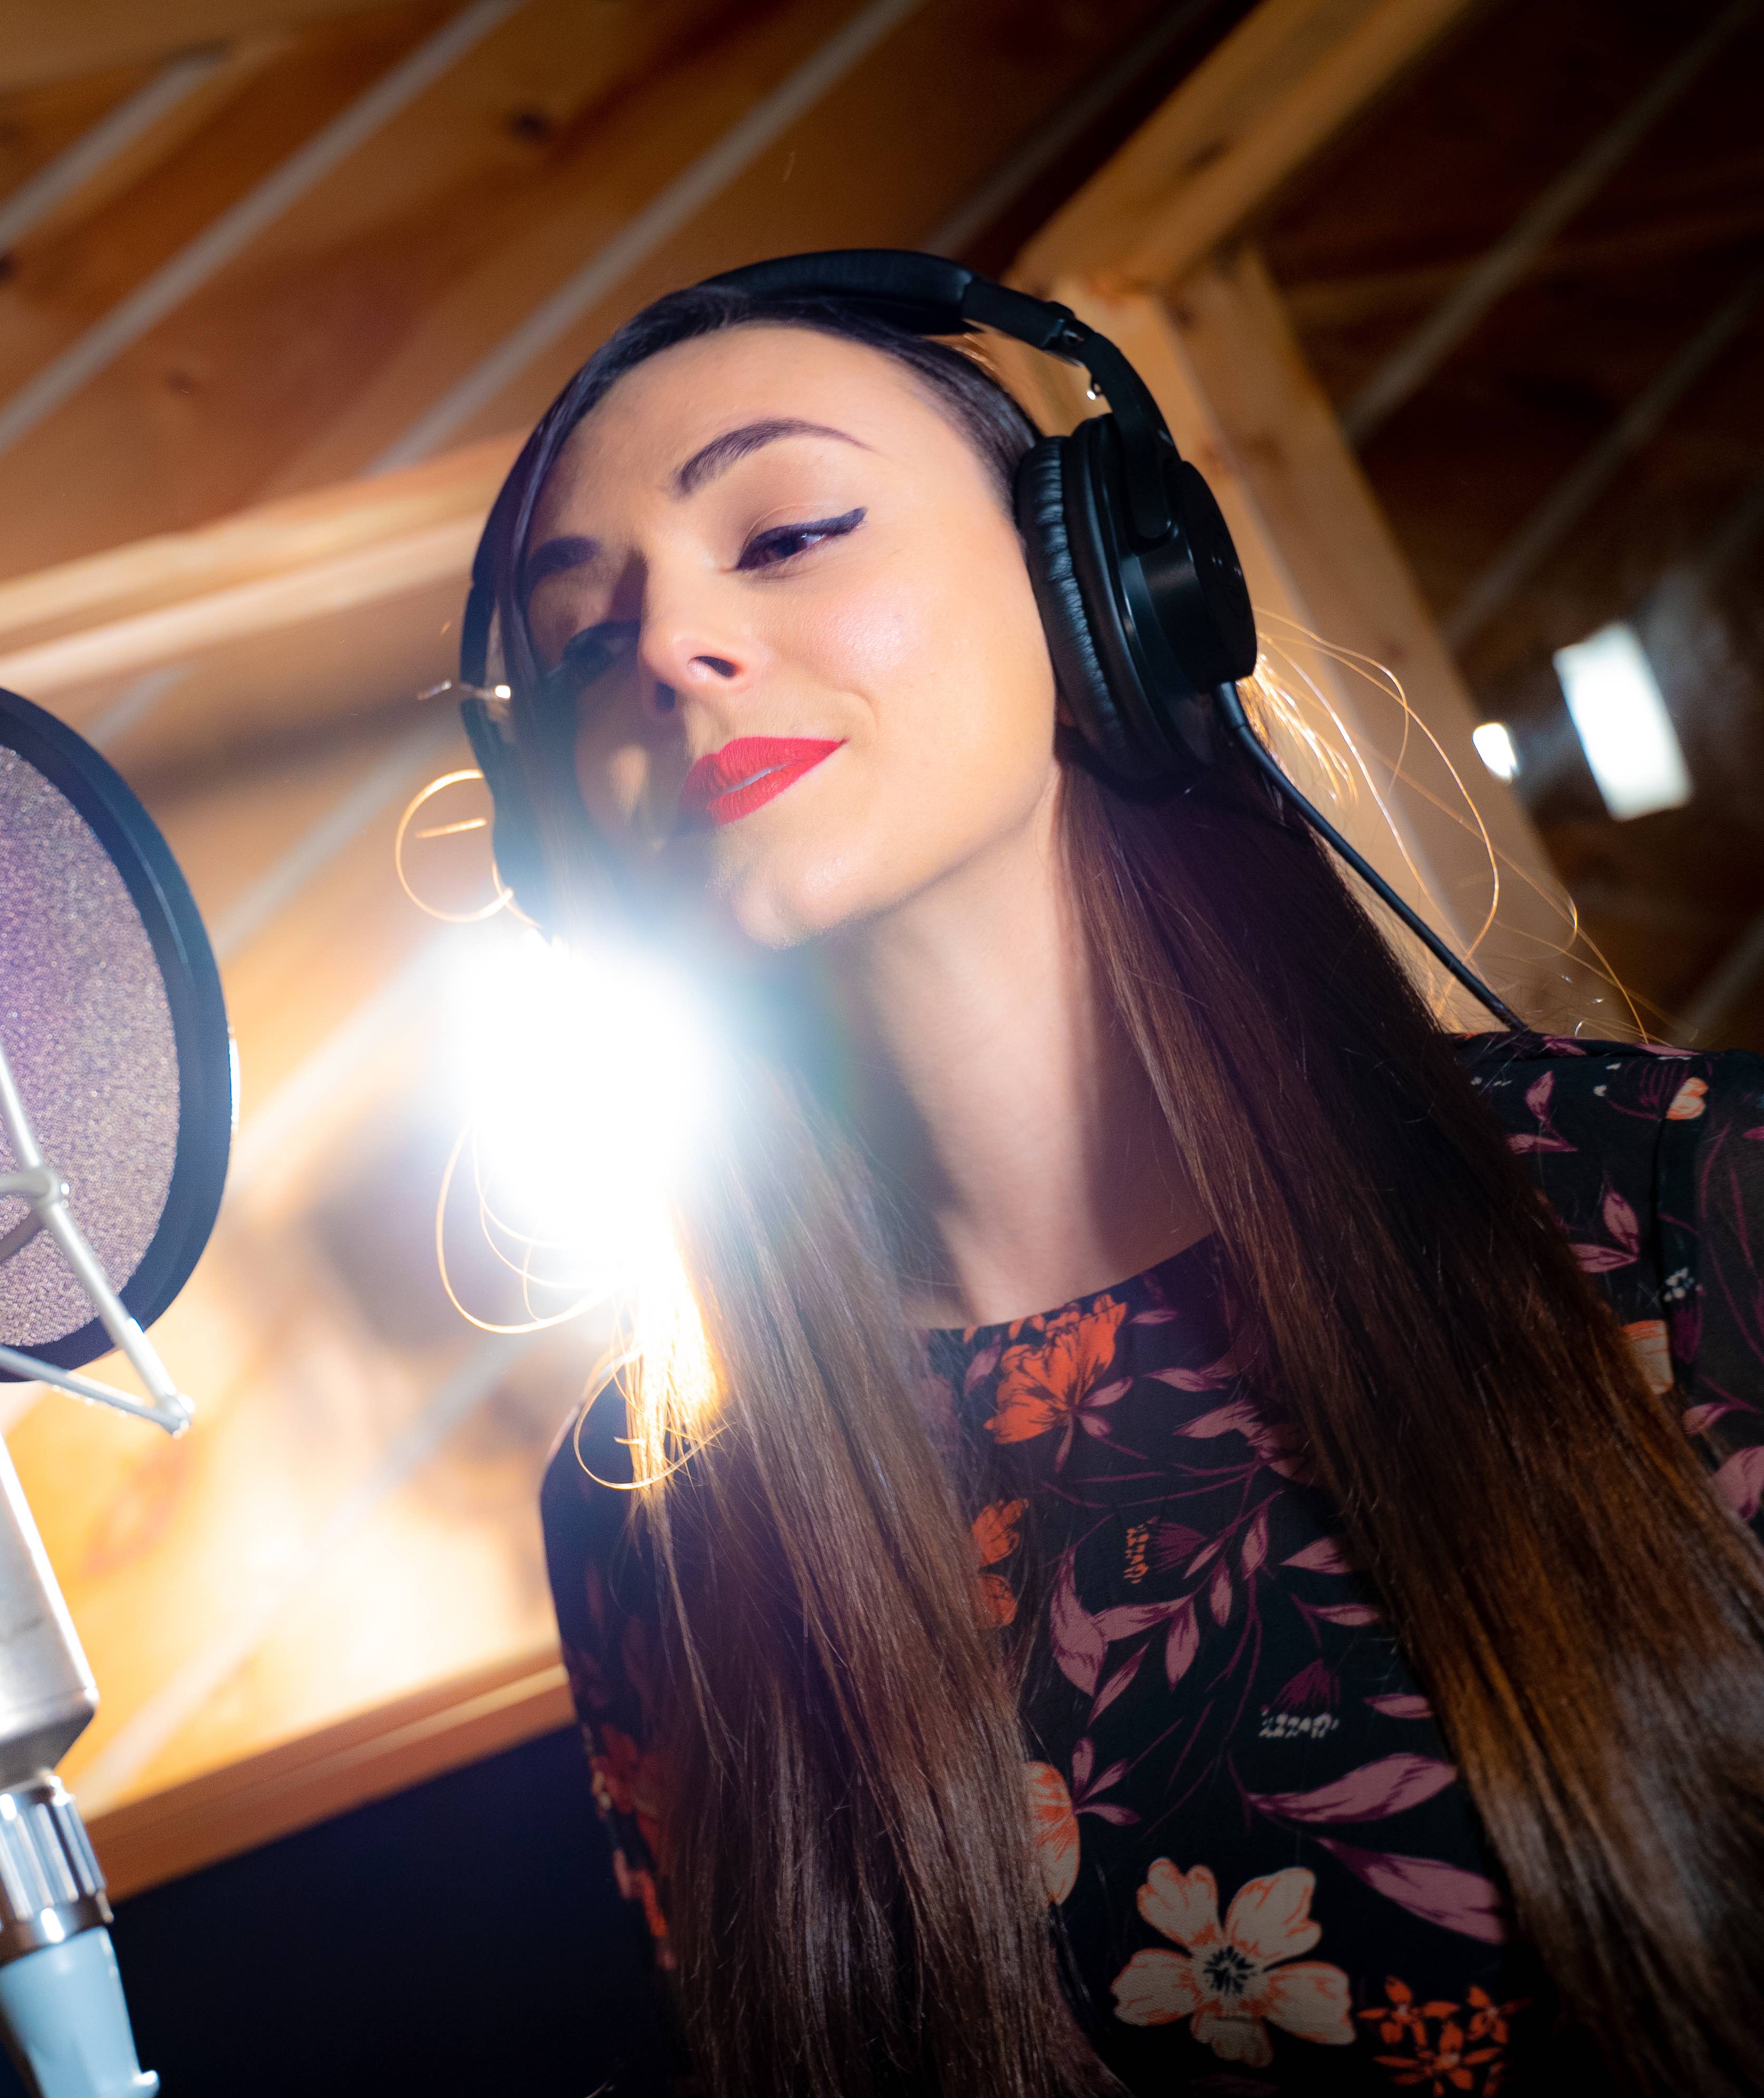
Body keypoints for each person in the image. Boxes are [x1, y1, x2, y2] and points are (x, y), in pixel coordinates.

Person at [454, 261, 1764, 2096]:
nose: (669, 645)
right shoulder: (655, 1533)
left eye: (791, 530)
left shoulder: (1680, 1194)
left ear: (1106, 586)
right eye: (585, 640)